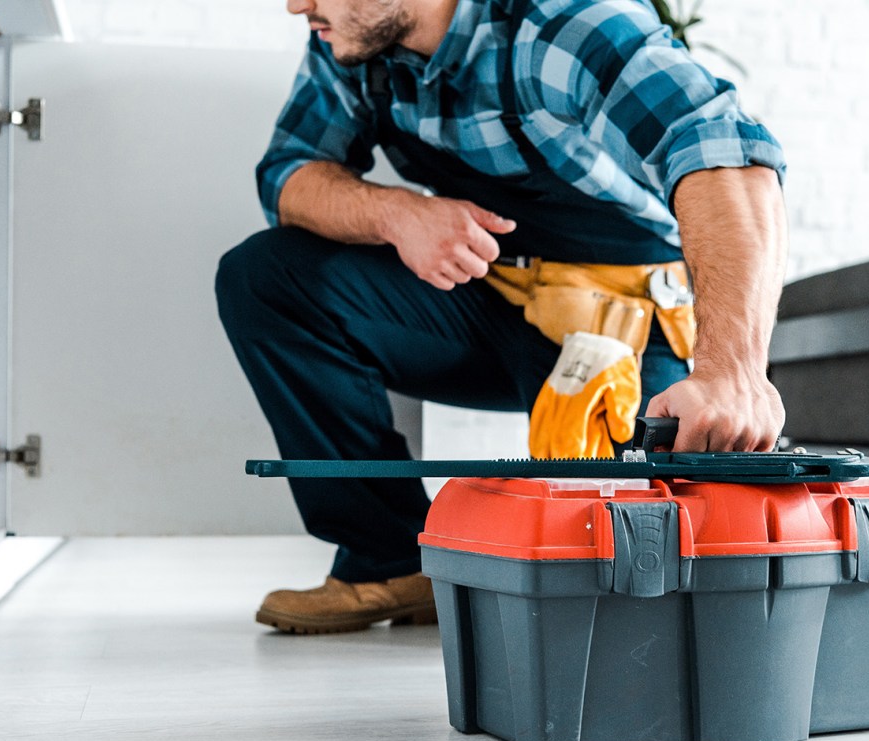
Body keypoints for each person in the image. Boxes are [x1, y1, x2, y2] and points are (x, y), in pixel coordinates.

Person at [215, 0, 788, 634]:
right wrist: (395, 214)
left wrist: (730, 373)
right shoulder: (354, 38)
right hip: (490, 299)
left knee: (646, 572)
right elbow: (289, 170)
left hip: (624, 325)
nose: (297, 4)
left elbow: (724, 151)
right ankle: (390, 560)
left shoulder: (566, 26)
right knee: (268, 277)